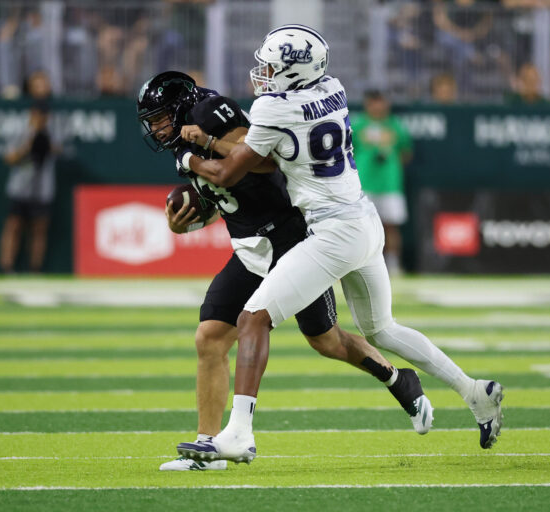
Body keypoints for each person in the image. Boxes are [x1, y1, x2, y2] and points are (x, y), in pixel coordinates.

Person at [175, 24, 503, 465]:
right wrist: (213, 140)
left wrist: (189, 156)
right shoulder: (334, 87)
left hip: (334, 231)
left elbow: (228, 172)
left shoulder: (275, 107)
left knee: (253, 319)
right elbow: (269, 152)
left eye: (272, 66)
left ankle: (237, 434)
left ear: (294, 70)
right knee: (382, 330)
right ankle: (473, 391)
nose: (263, 73)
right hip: (364, 219)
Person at [136, 71, 433, 471]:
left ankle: (398, 379)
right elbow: (224, 197)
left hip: (289, 239)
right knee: (210, 337)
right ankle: (208, 447)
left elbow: (261, 161)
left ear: (178, 108)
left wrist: (204, 146)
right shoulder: (184, 138)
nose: (156, 129)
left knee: (326, 341)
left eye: (159, 119)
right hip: (250, 249)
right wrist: (185, 222)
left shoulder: (209, 113)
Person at [0, 72, 56, 273]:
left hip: (42, 188)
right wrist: (28, 145)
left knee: (39, 228)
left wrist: (46, 143)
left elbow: (59, 150)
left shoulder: (51, 132)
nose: (41, 119)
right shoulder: (21, 131)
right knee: (13, 226)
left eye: (44, 115)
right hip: (21, 186)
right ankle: (7, 268)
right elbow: (9, 157)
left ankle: (35, 269)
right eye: (38, 114)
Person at [351, 90, 413, 276]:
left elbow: (406, 153)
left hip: (389, 184)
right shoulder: (357, 124)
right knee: (359, 226)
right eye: (374, 102)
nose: (378, 106)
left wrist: (391, 167)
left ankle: (393, 265)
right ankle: (356, 265)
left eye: (381, 102)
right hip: (364, 183)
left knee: (391, 226)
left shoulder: (395, 125)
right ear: (367, 104)